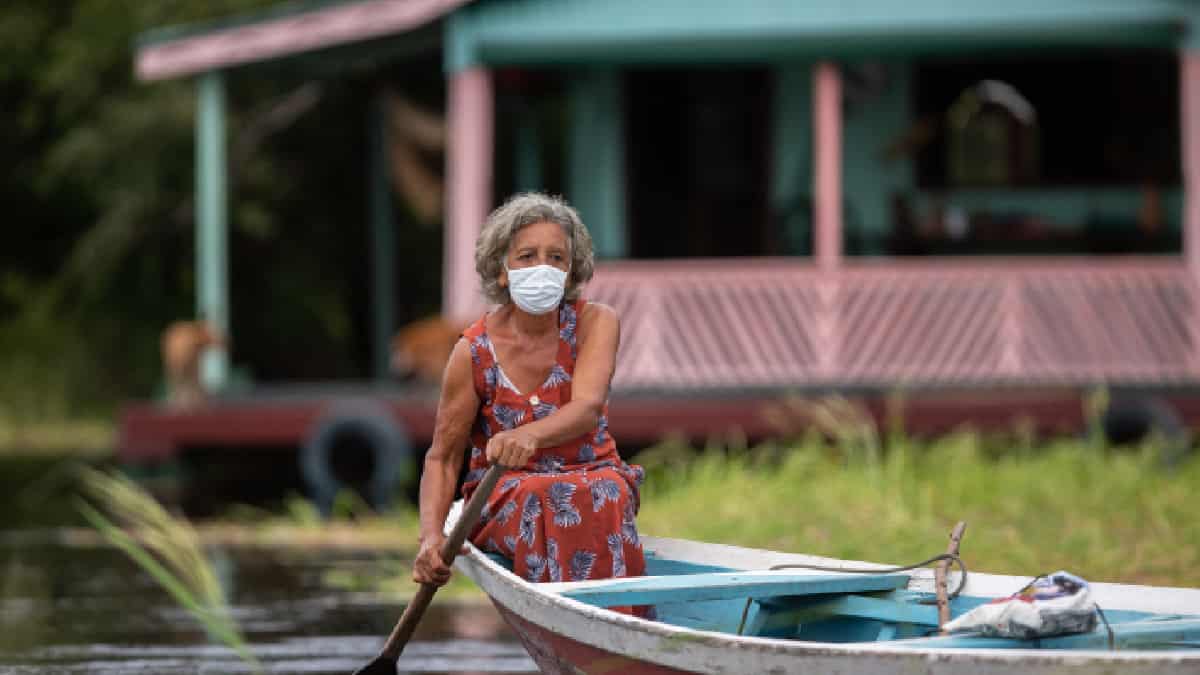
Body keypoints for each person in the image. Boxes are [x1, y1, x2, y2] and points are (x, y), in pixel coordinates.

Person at [413, 192, 647, 599]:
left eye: (556, 258)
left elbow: (588, 408)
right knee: (541, 493)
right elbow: (443, 456)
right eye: (527, 256)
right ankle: (562, 611)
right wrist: (431, 538)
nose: (543, 268)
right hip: (506, 492)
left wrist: (529, 436)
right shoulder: (473, 352)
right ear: (502, 270)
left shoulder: (595, 322)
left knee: (609, 486)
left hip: (595, 476)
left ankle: (622, 614)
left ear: (571, 269)